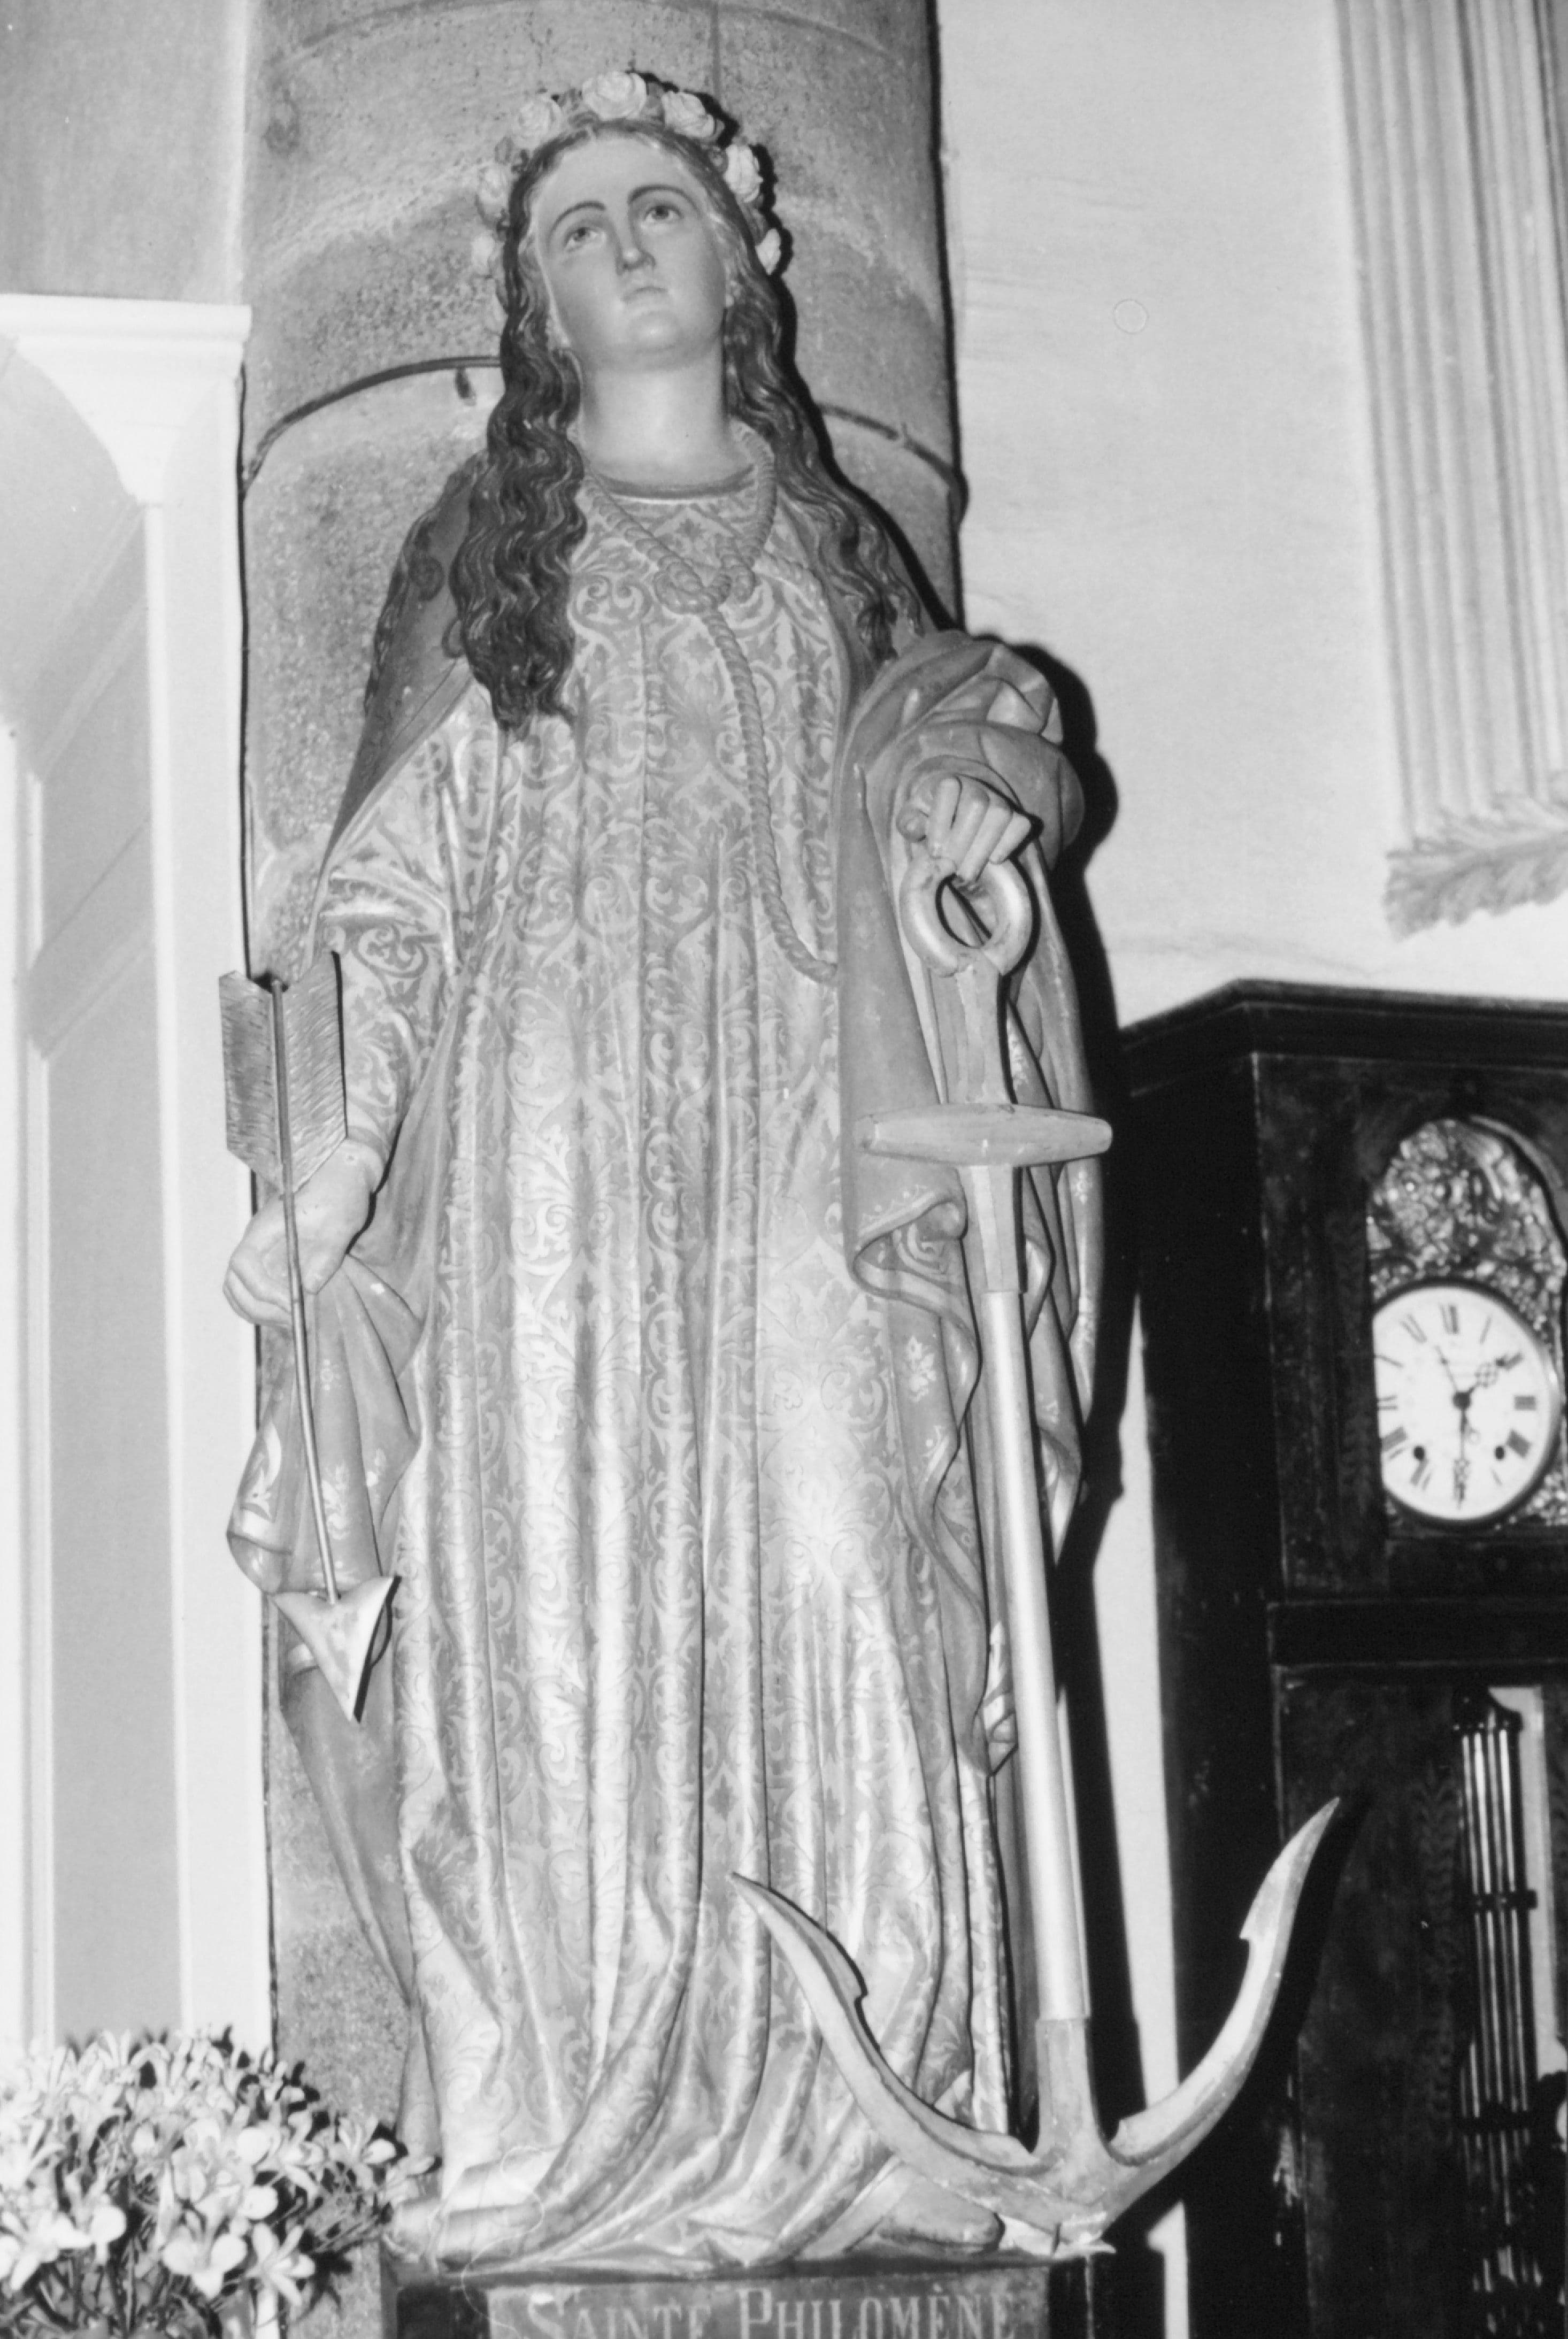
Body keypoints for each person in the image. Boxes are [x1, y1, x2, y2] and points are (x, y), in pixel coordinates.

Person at [224, 71, 1101, 2272]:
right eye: (576, 226)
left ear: (738, 260)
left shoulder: (847, 561)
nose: (622, 244)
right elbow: (395, 898)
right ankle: (556, 2108)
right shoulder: (482, 557)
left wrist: (968, 811)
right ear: (533, 309)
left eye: (659, 207)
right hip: (551, 1158)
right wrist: (342, 1160)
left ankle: (879, 2097)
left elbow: (974, 767)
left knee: (847, 1556)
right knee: (553, 1591)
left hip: (811, 1145)